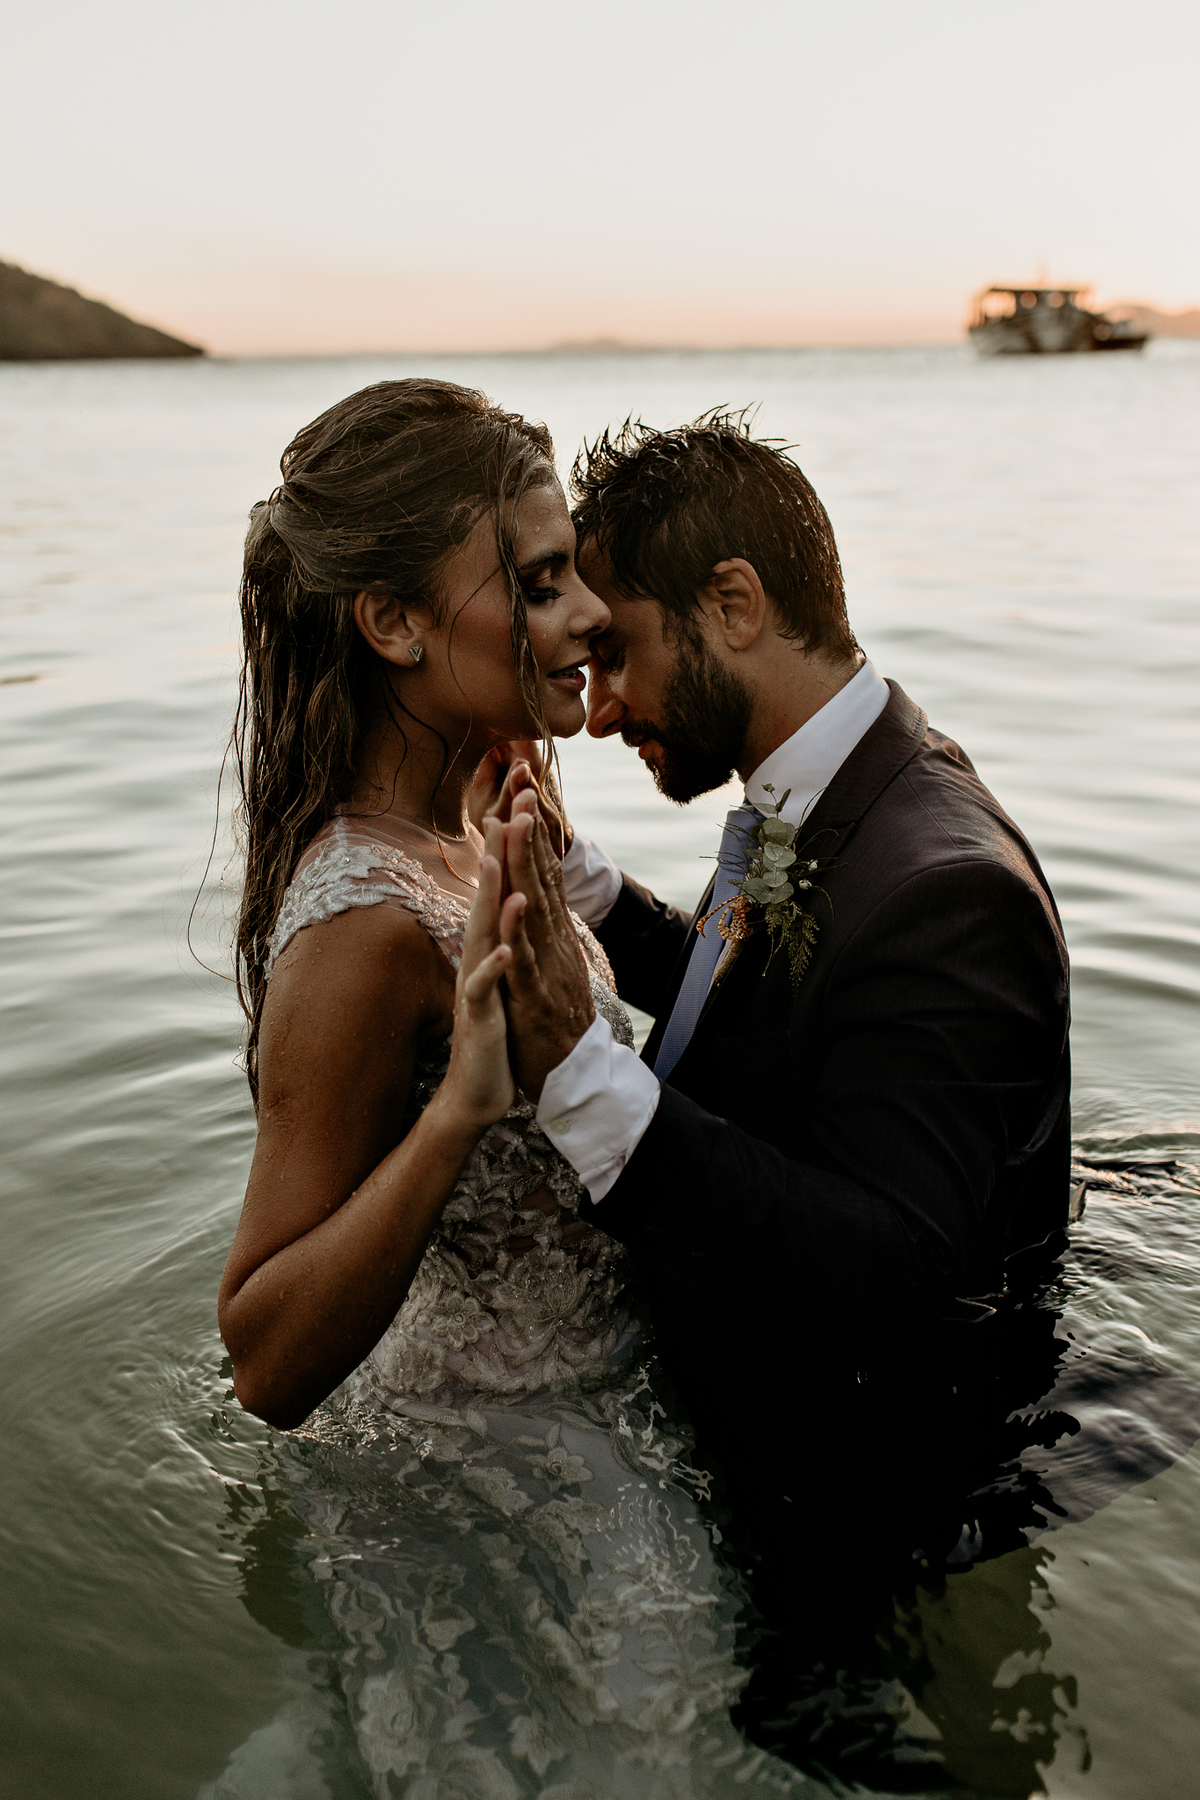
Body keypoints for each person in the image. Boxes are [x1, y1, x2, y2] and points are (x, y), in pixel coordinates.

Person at [212, 380, 800, 1797]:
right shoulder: (361, 929)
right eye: (540, 584)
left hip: (610, 1418)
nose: (593, 613)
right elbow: (263, 1356)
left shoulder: (476, 814)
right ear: (397, 625)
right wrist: (463, 1104)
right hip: (503, 1482)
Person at [489, 412, 1073, 1776]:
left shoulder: (946, 890)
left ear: (735, 605)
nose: (602, 698)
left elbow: (897, 1263)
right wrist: (594, 899)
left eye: (618, 646)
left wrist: (583, 1076)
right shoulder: (823, 800)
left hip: (878, 1504)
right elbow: (779, 1016)